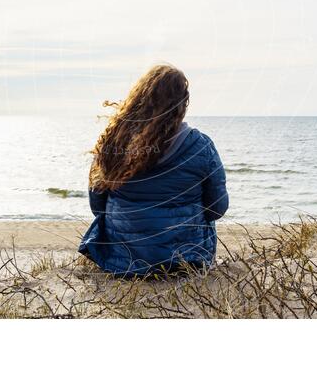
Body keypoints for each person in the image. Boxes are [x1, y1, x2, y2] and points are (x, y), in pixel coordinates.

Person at [78, 64, 229, 278]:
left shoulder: (113, 142)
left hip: (122, 262)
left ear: (138, 99)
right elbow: (217, 208)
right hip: (185, 262)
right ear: (182, 104)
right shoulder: (201, 146)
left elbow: (97, 206)